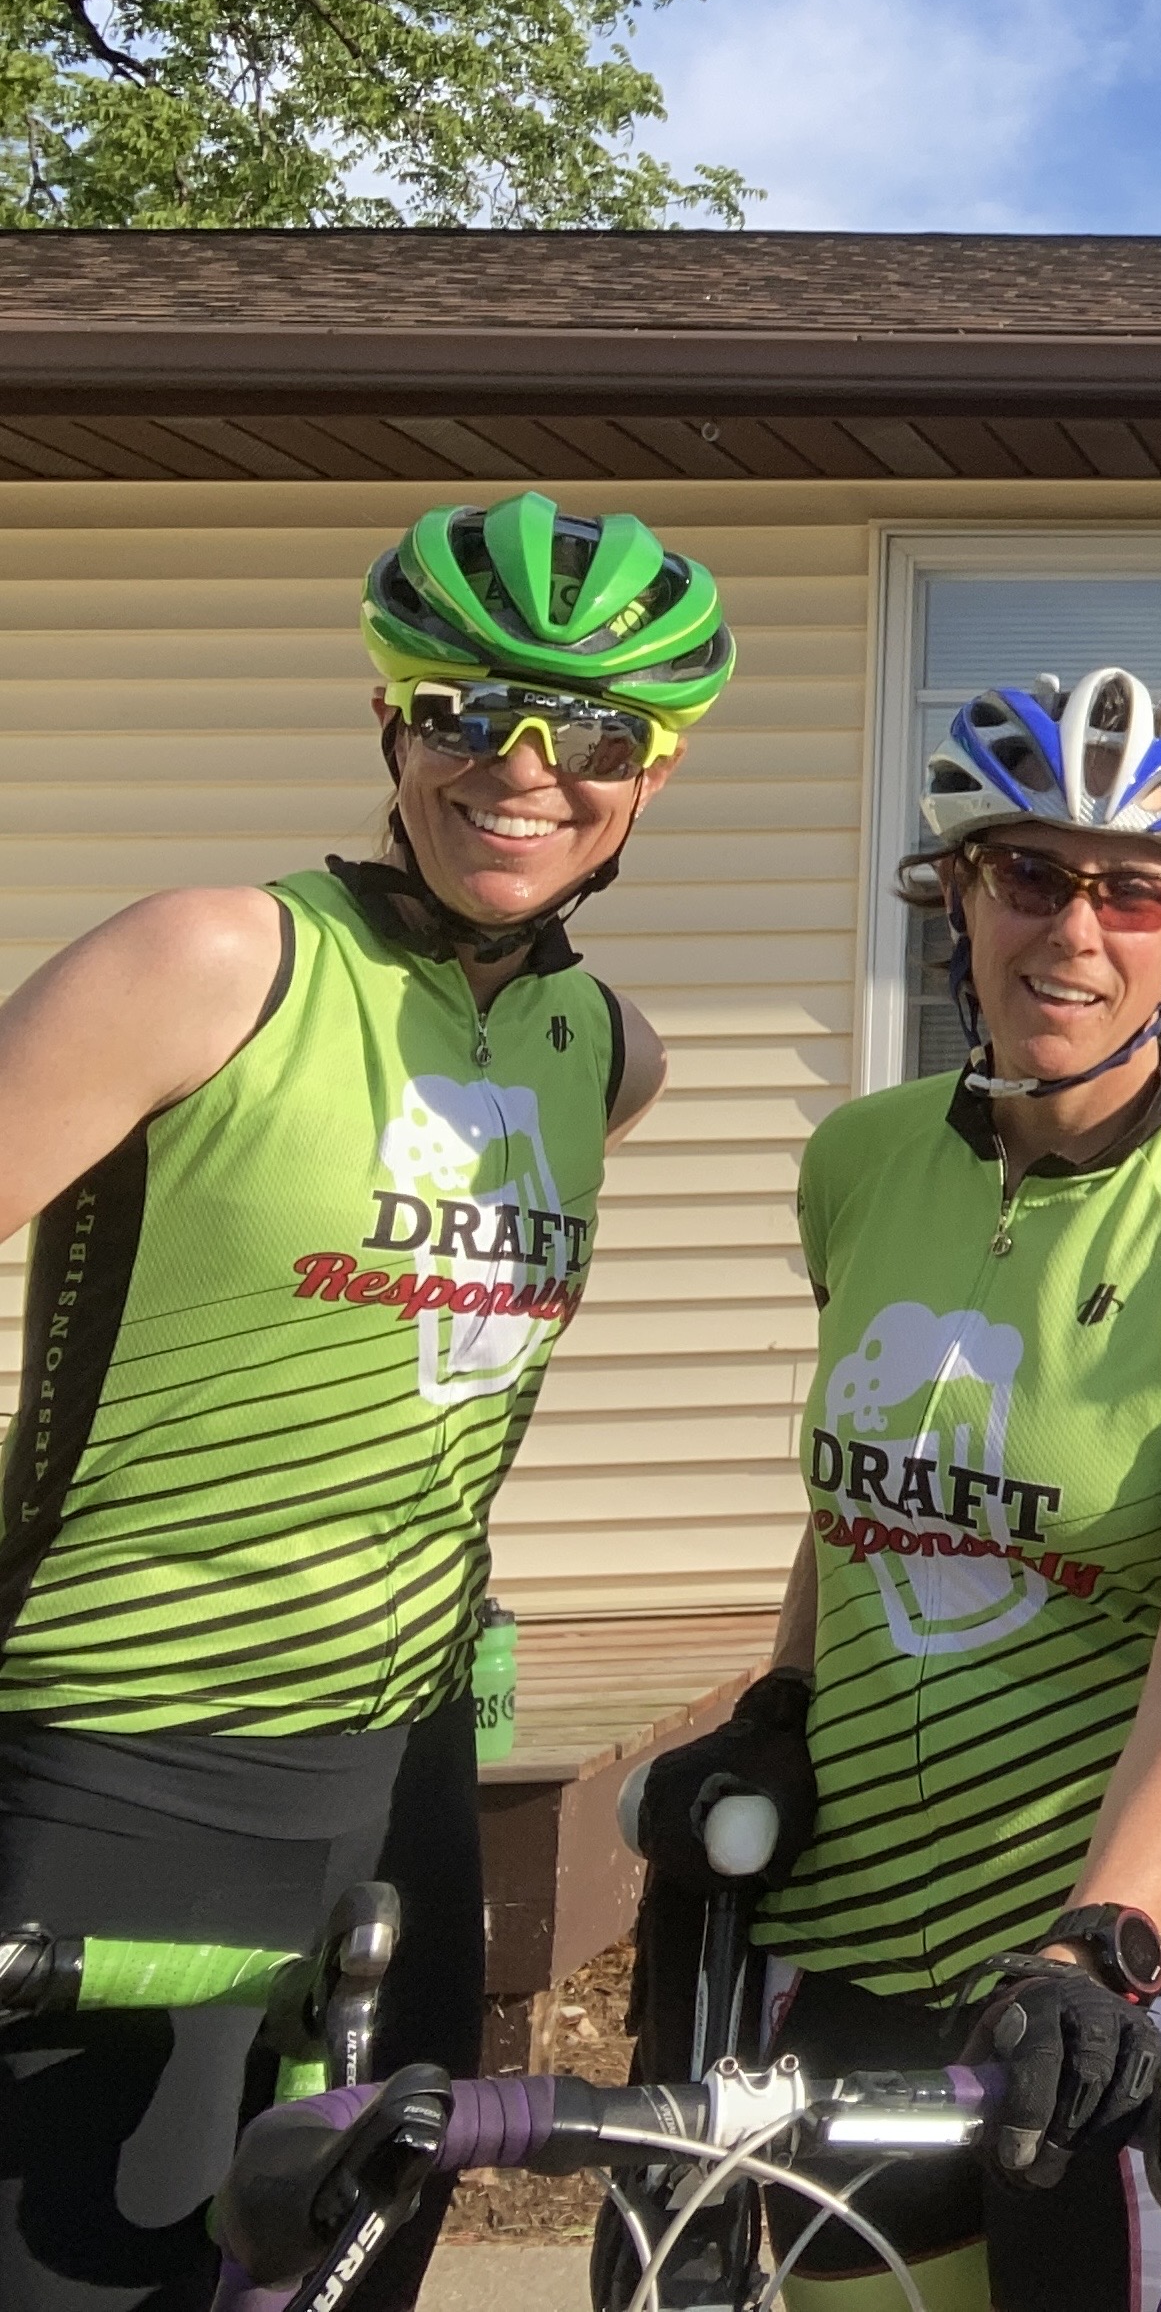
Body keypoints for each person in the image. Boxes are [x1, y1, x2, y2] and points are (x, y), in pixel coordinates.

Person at [0, 493, 722, 2311]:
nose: (525, 769)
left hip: (399, 1777)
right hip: (126, 1742)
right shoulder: (215, 960)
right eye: (469, 709)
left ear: (652, 777)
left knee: (353, 2272)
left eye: (595, 734)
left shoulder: (603, 1055)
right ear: (393, 719)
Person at [638, 666, 1161, 2312]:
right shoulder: (857, 1163)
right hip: (845, 1940)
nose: (1076, 931)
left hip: (1104, 1983)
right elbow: (868, 1497)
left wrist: (1100, 1938)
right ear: (957, 897)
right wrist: (780, 1697)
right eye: (1030, 874)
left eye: (1137, 892)